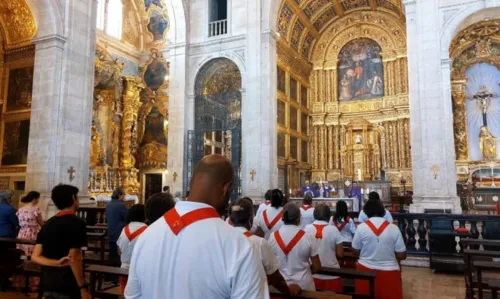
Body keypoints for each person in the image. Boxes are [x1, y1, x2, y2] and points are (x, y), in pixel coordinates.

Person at [126, 155, 269, 298]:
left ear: (190, 183)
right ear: (227, 188)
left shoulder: (147, 236)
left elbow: (133, 296)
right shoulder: (240, 246)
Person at [229, 198, 301, 296]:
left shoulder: (221, 241)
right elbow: (276, 279)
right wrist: (289, 291)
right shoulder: (259, 243)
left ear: (230, 219)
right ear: (251, 219)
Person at [32, 184, 90, 299]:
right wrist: (82, 288)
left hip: (47, 283)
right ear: (74, 198)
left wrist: (56, 263)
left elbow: (35, 257)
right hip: (68, 284)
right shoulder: (77, 223)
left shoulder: (48, 224)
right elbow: (74, 258)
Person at [352, 197, 407, 299]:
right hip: (389, 272)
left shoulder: (361, 228)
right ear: (383, 211)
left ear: (366, 211)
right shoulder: (394, 228)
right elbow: (401, 255)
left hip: (365, 271)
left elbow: (355, 251)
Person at [268, 202, 321, 292]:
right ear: (298, 218)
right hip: (304, 285)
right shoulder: (308, 237)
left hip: (281, 287)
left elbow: (270, 265)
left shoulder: (272, 237)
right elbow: (317, 267)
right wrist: (304, 271)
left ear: (283, 218)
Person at [304, 204, 344, 292]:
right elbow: (340, 254)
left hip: (312, 273)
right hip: (332, 274)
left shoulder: (306, 229)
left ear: (314, 214)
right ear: (329, 215)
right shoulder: (334, 230)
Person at [13, 191, 43, 291]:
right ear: (34, 198)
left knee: (22, 257)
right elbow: (41, 223)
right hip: (32, 234)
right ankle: (33, 283)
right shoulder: (36, 209)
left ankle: (19, 282)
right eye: (38, 198)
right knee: (33, 257)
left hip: (21, 235)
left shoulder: (21, 209)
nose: (38, 200)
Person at [117, 204, 147, 294]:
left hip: (123, 270)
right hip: (139, 272)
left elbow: (119, 251)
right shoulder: (148, 230)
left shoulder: (124, 229)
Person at [106, 187, 129, 269]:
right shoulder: (120, 205)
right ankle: (117, 276)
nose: (124, 197)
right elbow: (127, 218)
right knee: (119, 256)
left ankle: (110, 276)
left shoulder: (109, 204)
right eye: (123, 195)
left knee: (112, 255)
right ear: (120, 195)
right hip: (119, 233)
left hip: (111, 232)